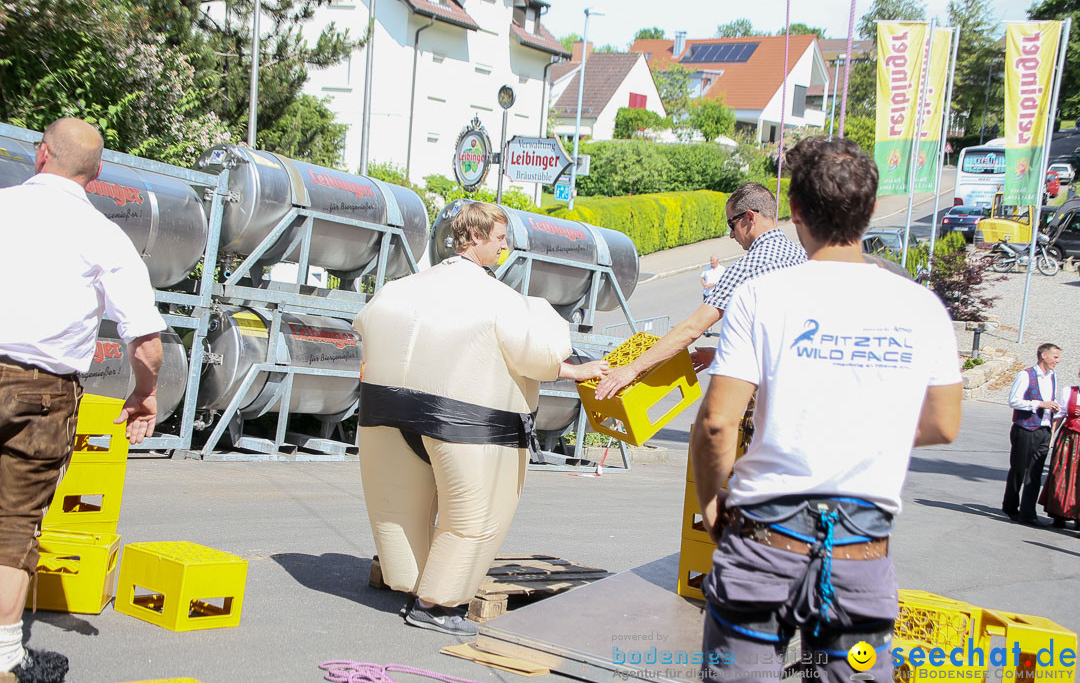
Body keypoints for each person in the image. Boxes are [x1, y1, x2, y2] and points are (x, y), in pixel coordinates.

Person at [691, 136, 962, 681]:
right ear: (871, 210)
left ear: (793, 211)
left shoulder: (763, 296)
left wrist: (712, 502)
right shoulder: (920, 307)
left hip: (762, 553)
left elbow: (718, 422)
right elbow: (943, 423)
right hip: (859, 560)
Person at [353, 201, 607, 636]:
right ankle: (437, 603)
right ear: (476, 238)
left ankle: (408, 581)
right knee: (474, 516)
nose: (504, 248)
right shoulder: (503, 301)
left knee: (397, 507)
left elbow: (366, 326)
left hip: (386, 414)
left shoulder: (399, 288)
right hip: (467, 424)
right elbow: (538, 355)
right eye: (500, 239)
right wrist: (578, 370)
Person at [0, 119, 165, 683]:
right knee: (15, 524)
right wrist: (144, 396)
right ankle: (4, 661)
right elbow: (143, 337)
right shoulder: (104, 235)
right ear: (96, 175)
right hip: (40, 392)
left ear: (41, 154)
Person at [594, 183, 806, 400]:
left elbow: (693, 328)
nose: (732, 235)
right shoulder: (803, 255)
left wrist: (632, 369)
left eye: (731, 224)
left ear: (750, 218)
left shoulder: (750, 266)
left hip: (776, 400)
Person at [1003, 344, 1062, 527]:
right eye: (1055, 357)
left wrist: (1053, 407)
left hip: (1044, 430)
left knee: (1035, 473)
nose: (1057, 361)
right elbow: (1013, 401)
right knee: (1019, 469)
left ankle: (1028, 513)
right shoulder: (1025, 375)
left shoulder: (1052, 376)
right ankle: (1011, 507)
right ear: (1044, 356)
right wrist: (1039, 404)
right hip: (1025, 429)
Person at [1039, 366, 1080, 530]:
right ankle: (1059, 515)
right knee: (1061, 474)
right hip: (1068, 439)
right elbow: (1060, 415)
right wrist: (1052, 436)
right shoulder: (1069, 391)